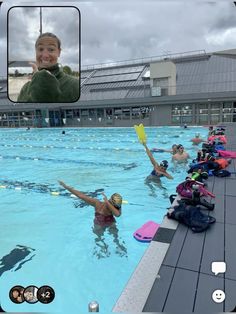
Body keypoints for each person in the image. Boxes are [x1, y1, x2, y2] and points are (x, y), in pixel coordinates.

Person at [58, 181, 127, 258]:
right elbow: (80, 195)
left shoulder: (102, 204)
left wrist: (107, 202)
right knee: (110, 236)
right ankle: (111, 246)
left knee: (104, 237)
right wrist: (66, 186)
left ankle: (109, 247)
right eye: (117, 207)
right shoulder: (98, 203)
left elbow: (118, 214)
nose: (117, 208)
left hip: (101, 223)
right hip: (105, 223)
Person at [17, 32, 79, 103]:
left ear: (59, 52)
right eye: (40, 49)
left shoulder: (75, 85)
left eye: (51, 50)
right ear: (36, 51)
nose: (45, 55)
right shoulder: (25, 89)